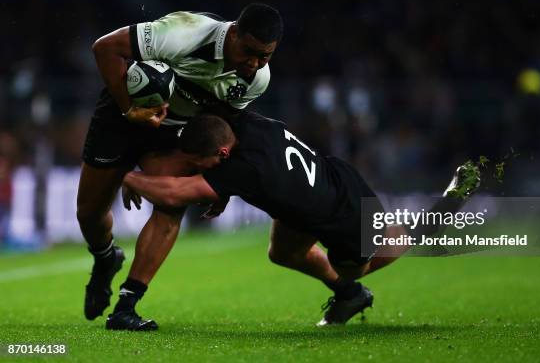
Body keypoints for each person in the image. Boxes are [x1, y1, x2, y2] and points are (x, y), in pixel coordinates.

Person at [119, 112, 479, 329]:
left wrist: (127, 176)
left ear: (224, 152)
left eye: (201, 161)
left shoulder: (250, 172)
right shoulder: (249, 124)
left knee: (361, 265)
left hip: (344, 213)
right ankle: (350, 297)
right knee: (282, 253)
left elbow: (171, 194)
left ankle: (443, 209)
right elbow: (216, 168)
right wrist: (221, 189)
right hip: (325, 181)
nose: (196, 167)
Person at [78, 3, 283, 329]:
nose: (254, 63)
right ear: (233, 34)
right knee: (89, 213)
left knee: (171, 203)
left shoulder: (256, 80)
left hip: (173, 134)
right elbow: (105, 47)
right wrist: (130, 109)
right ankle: (106, 258)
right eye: (249, 51)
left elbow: (225, 123)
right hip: (123, 115)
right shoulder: (184, 33)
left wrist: (221, 180)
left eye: (265, 56)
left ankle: (126, 306)